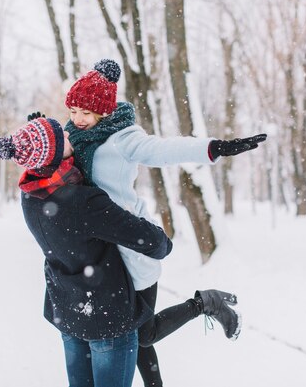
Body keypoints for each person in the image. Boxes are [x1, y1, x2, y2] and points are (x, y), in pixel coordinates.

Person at [62, 58, 267, 386]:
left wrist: (214, 148)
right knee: (131, 335)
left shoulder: (124, 139)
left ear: (103, 112)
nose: (77, 119)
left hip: (130, 248)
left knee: (142, 334)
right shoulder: (72, 135)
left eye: (85, 112)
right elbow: (45, 149)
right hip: (99, 254)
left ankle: (205, 303)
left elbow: (165, 149)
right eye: (72, 110)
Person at [0, 117, 242, 387]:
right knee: (145, 335)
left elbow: (52, 161)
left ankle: (203, 306)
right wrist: (162, 242)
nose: (68, 133)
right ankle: (204, 304)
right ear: (52, 156)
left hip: (67, 309)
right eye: (61, 136)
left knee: (142, 337)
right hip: (106, 318)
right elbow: (149, 240)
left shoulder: (30, 194)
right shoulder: (83, 202)